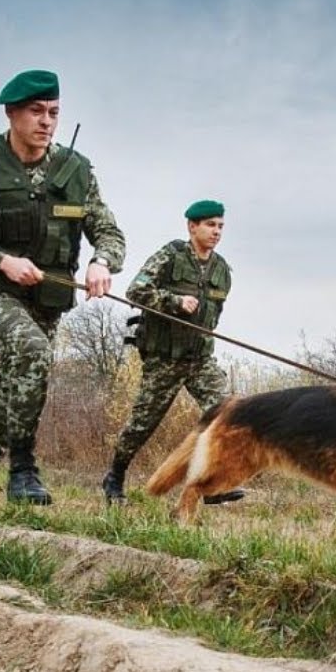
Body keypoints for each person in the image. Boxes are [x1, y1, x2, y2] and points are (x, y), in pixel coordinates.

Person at [0, 69, 126, 511]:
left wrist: (101, 262)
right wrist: (0, 260)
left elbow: (109, 232)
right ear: (12, 113)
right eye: (36, 112)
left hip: (48, 298)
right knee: (32, 351)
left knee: (16, 381)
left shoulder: (76, 172)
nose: (46, 122)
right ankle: (23, 470)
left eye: (54, 113)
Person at [101, 199, 245, 506]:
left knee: (226, 413)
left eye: (220, 226)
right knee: (142, 424)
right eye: (210, 225)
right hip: (164, 358)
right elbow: (135, 291)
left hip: (200, 359)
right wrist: (173, 301)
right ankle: (114, 476)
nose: (216, 231)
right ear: (192, 226)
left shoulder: (222, 270)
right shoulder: (171, 255)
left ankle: (212, 485)